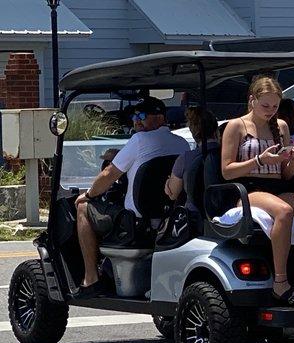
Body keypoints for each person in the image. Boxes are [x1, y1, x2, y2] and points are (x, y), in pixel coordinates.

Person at [74, 97, 190, 298]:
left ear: (160, 118)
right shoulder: (181, 143)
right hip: (167, 221)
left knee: (83, 208)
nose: (137, 121)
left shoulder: (138, 140)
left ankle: (91, 278)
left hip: (133, 223)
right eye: (135, 116)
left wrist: (88, 194)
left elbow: (108, 175)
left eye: (143, 116)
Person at [221, 76, 294, 306]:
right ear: (252, 100)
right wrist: (259, 160)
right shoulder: (236, 126)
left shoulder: (281, 126)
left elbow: (285, 174)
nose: (270, 111)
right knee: (283, 211)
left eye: (275, 107)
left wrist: (293, 158)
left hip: (277, 186)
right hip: (248, 187)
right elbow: (226, 171)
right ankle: (281, 281)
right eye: (265, 106)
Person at [165, 106, 219, 205]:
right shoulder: (227, 155)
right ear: (216, 129)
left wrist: (168, 182)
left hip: (195, 215)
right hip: (225, 210)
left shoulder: (185, 159)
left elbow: (172, 194)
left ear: (192, 132)